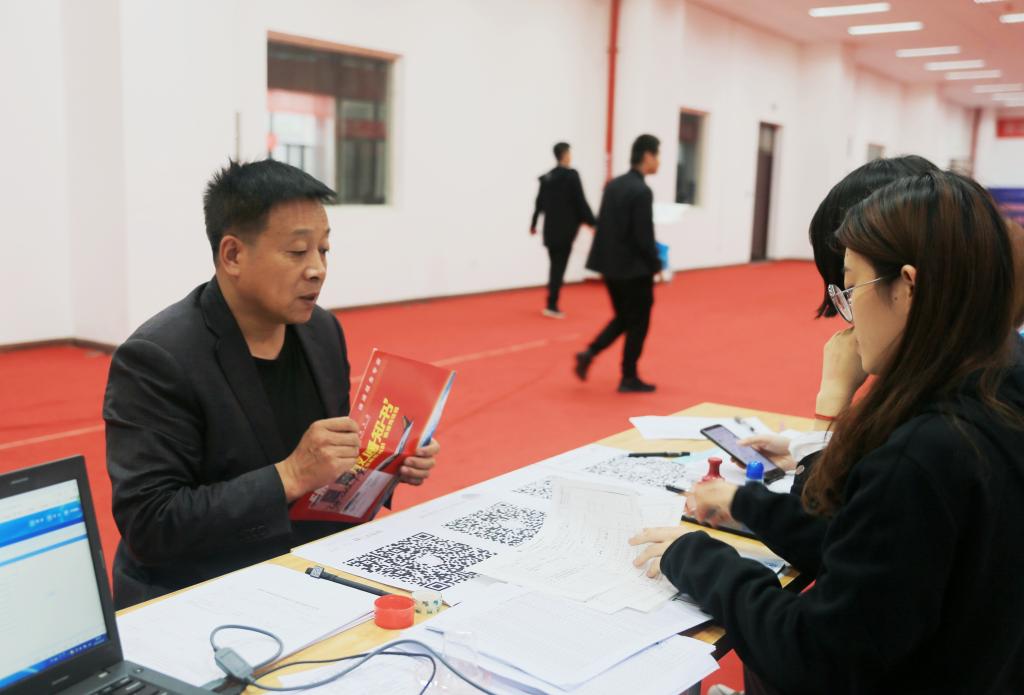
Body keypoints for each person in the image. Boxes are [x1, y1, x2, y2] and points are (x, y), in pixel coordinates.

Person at [631, 171, 1024, 693]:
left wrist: (699, 559)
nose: (848, 319)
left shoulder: (926, 451)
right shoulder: (999, 386)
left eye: (852, 288)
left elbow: (816, 656)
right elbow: (864, 538)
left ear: (909, 287)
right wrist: (747, 505)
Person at [103, 160, 440, 608]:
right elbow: (150, 524)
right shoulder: (159, 358)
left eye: (324, 250)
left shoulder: (321, 331)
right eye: (297, 252)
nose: (317, 269)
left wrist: (386, 464)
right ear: (233, 255)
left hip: (308, 569)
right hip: (197, 592)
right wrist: (290, 475)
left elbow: (326, 470)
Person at [575, 134, 662, 393]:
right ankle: (628, 376)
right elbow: (643, 236)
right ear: (647, 156)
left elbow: (605, 226)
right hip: (634, 270)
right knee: (639, 322)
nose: (659, 161)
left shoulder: (613, 185)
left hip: (611, 268)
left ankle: (590, 352)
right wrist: (656, 264)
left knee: (624, 317)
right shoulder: (642, 191)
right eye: (657, 155)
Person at [530, 142, 596, 318]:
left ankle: (551, 299)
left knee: (555, 265)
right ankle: (552, 303)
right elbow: (580, 201)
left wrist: (533, 224)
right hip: (565, 230)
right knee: (559, 266)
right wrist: (593, 222)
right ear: (565, 155)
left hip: (550, 230)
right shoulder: (571, 176)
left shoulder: (547, 178)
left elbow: (539, 204)